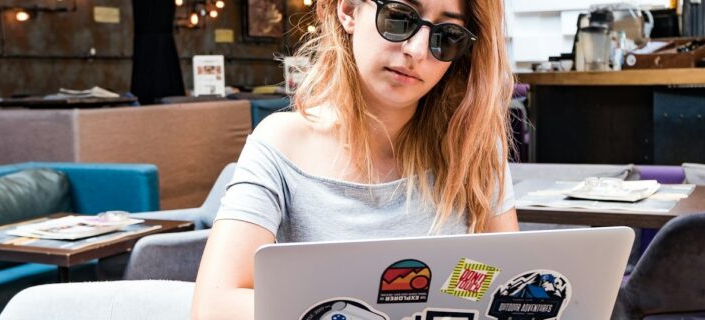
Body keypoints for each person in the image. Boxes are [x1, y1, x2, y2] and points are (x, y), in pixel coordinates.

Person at [190, 0, 518, 318]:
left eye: (447, 35)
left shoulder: (473, 145)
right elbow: (215, 306)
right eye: (399, 17)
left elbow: (511, 283)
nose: (417, 51)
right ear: (348, 10)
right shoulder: (280, 144)